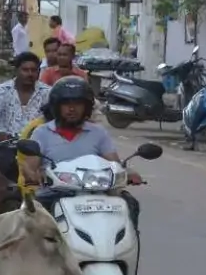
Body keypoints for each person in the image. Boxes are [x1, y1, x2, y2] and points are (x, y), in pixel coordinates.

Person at [21, 76, 141, 226]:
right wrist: (32, 174)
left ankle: (127, 245)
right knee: (33, 213)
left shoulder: (98, 132)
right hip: (55, 192)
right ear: (57, 106)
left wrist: (128, 172)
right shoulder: (42, 132)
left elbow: (113, 162)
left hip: (98, 191)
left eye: (78, 104)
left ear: (87, 107)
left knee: (130, 204)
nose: (72, 109)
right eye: (66, 104)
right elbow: (29, 165)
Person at [0, 51, 51, 140]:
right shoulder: (1, 90)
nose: (30, 74)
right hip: (4, 144)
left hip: (36, 146)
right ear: (16, 71)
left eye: (33, 70)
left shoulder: (48, 93)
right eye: (25, 70)